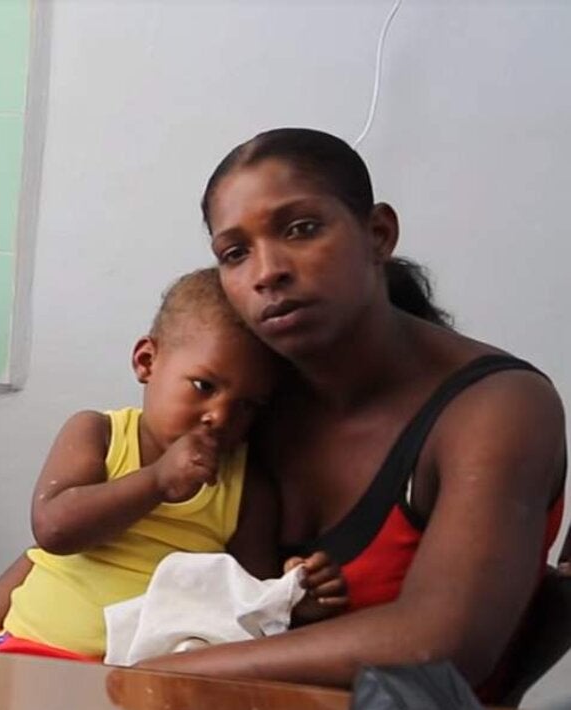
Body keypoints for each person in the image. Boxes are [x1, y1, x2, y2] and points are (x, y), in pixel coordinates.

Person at [137, 127, 567, 700]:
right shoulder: (247, 401)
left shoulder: (495, 408)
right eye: (235, 253)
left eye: (301, 228)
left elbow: (439, 643)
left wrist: (164, 673)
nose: (268, 271)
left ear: (378, 234)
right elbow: (106, 527)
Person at [0, 268, 347, 659]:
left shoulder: (246, 487)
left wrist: (292, 596)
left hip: (148, 678)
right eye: (204, 386)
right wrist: (157, 482)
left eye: (247, 406)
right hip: (34, 653)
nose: (220, 417)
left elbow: (245, 604)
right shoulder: (98, 433)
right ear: (146, 361)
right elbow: (53, 530)